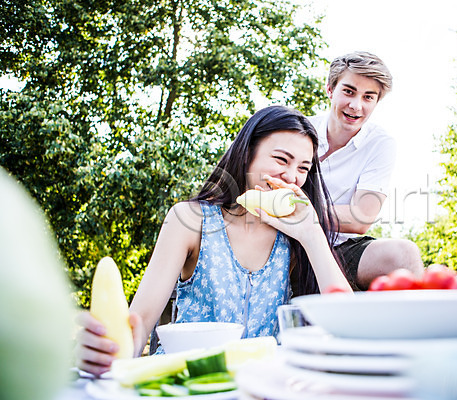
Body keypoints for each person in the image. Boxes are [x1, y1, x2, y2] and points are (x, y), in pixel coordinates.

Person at [75, 105, 351, 375]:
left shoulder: (292, 236)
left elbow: (347, 321)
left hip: (259, 387)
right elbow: (141, 321)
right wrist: (108, 352)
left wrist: (312, 234)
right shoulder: (190, 219)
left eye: (303, 168)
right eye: (281, 160)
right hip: (185, 383)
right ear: (247, 155)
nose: (291, 177)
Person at [309, 51, 424, 290]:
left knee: (404, 254)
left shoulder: (380, 143)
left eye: (368, 97)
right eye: (349, 91)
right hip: (286, 241)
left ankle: (417, 325)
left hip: (340, 248)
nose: (356, 105)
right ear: (330, 89)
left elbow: (361, 216)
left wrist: (300, 213)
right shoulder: (300, 130)